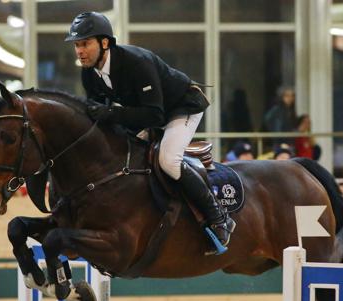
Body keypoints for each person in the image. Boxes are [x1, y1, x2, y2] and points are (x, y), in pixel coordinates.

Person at [65, 11, 235, 247]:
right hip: (150, 113)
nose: (79, 51)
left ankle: (219, 217)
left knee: (168, 160)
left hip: (181, 107)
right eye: (76, 45)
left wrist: (112, 114)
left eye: (85, 44)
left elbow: (155, 114)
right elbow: (100, 115)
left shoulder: (136, 62)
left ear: (104, 43)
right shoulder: (89, 74)